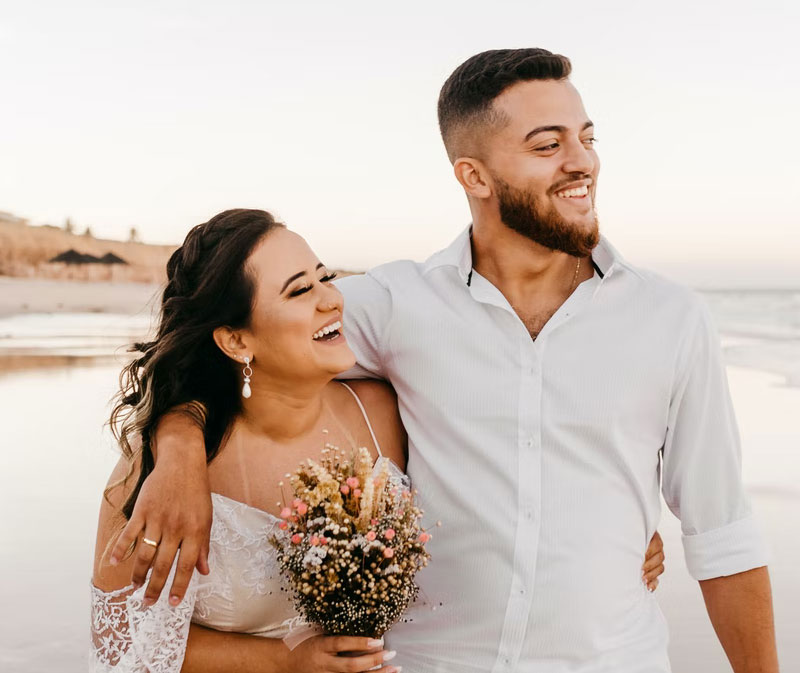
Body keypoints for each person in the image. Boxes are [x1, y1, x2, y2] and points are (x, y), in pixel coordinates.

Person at [112, 47, 770, 673]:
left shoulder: (672, 319)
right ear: (473, 175)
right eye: (548, 145)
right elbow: (234, 344)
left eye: (587, 138)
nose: (583, 162)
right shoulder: (399, 304)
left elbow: (723, 536)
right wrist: (180, 445)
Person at [91, 209, 408, 672]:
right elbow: (119, 639)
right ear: (236, 341)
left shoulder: (382, 412)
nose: (331, 300)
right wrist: (282, 662)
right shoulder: (162, 471)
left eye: (326, 277)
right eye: (300, 290)